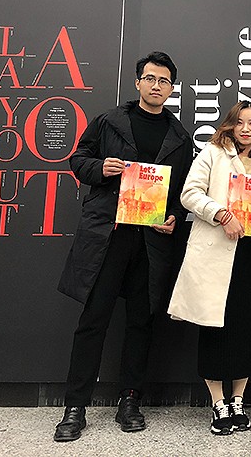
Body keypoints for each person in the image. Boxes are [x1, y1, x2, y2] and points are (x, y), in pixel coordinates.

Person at [54, 51, 193, 442]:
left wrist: (172, 217)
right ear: (137, 82)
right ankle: (74, 407)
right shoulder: (109, 121)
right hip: (109, 235)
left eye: (163, 81)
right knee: (93, 320)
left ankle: (130, 400)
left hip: (150, 241)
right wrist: (100, 168)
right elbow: (78, 159)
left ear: (171, 88)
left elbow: (182, 191)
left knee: (141, 322)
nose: (156, 86)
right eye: (150, 78)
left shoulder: (180, 137)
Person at [167, 100, 251, 435]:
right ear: (230, 125)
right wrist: (221, 214)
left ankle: (238, 400)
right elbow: (189, 194)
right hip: (218, 254)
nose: (246, 129)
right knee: (215, 327)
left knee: (247, 328)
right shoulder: (212, 154)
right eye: (240, 122)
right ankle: (218, 403)